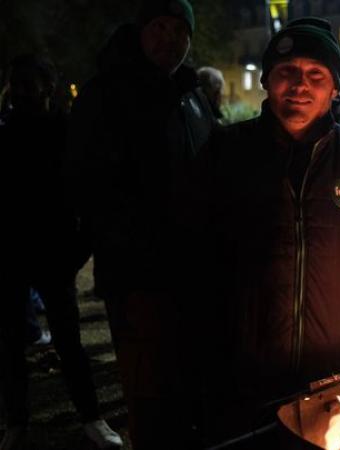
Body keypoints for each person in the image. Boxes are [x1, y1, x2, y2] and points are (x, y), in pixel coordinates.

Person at [198, 16, 340, 444]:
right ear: (267, 81)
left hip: (336, 369)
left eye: (316, 75)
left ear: (333, 89)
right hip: (250, 365)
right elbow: (198, 250)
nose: (299, 85)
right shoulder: (226, 151)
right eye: (287, 72)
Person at [67, 1, 214, 448]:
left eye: (179, 30)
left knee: (189, 388)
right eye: (159, 27)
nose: (169, 39)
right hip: (139, 278)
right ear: (141, 30)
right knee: (149, 393)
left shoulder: (190, 94)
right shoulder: (107, 95)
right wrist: (133, 252)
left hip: (193, 273)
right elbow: (87, 184)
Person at [0, 54, 122, 450]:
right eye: (15, 84)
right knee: (12, 346)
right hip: (14, 255)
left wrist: (74, 255)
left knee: (69, 344)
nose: (19, 92)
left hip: (53, 257)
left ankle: (90, 418)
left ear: (47, 89)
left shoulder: (66, 135)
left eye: (25, 85)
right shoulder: (7, 133)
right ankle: (17, 422)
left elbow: (88, 199)